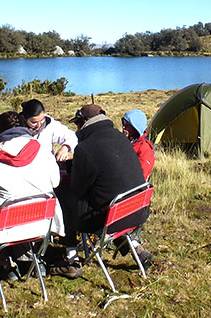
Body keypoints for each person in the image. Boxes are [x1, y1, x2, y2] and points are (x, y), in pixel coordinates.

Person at [50, 104, 150, 278]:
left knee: (65, 199)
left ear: (85, 123)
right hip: (136, 210)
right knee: (110, 200)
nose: (77, 129)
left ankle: (71, 259)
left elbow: (77, 189)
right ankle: (135, 246)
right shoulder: (120, 138)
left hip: (109, 218)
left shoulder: (85, 148)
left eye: (78, 124)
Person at [0, 111, 64, 280]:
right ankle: (30, 258)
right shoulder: (42, 150)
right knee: (23, 213)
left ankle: (3, 262)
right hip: (42, 222)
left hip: (6, 227)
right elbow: (56, 182)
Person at [121, 109, 155, 180]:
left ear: (135, 127)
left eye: (127, 125)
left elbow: (141, 175)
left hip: (134, 186)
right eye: (123, 124)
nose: (124, 128)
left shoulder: (144, 147)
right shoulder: (130, 141)